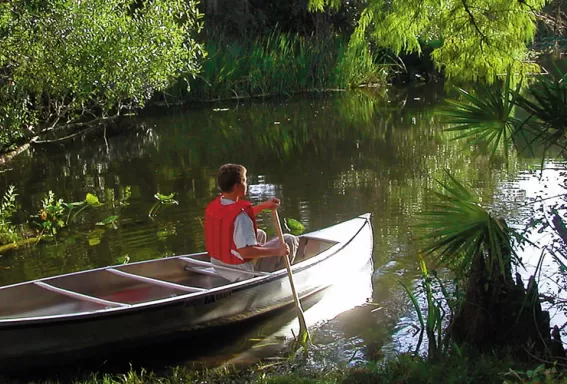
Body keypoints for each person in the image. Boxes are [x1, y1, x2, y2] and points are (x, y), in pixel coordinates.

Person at [204, 163, 299, 282]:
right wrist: (277, 251)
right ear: (236, 187)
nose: (246, 183)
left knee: (260, 234)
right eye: (244, 180)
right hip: (241, 270)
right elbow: (246, 252)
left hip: (219, 264)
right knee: (289, 240)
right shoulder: (241, 216)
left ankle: (263, 267)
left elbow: (234, 218)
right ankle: (275, 282)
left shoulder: (217, 205)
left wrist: (264, 206)